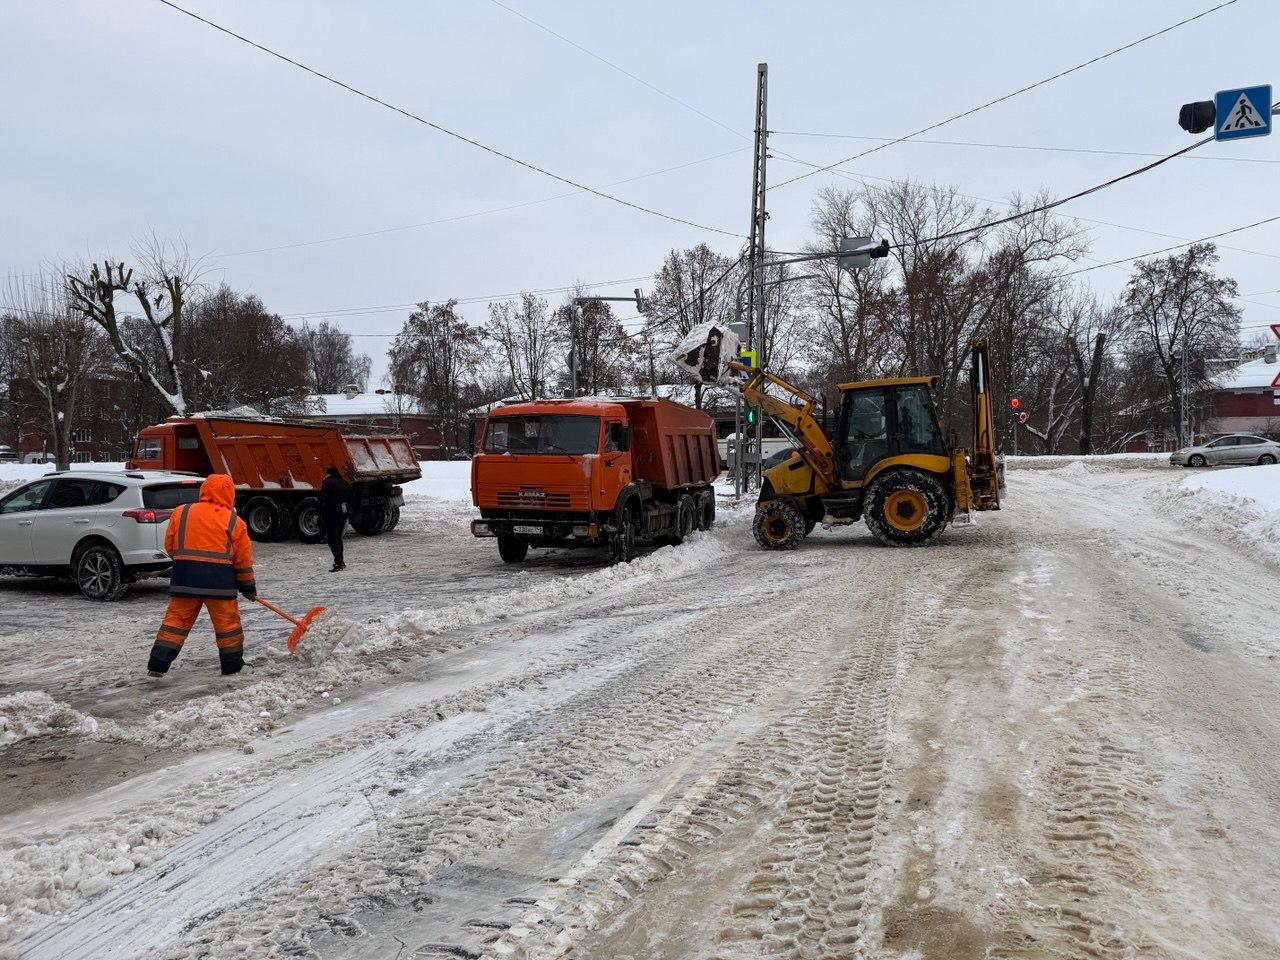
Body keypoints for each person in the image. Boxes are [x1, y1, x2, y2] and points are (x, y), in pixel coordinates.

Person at [148, 474, 256, 677]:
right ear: (229, 494)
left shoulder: (182, 512)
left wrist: (187, 562)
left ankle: (157, 665)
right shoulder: (234, 521)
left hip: (185, 579)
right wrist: (247, 585)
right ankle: (232, 666)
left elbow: (170, 546)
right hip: (220, 583)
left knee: (176, 621)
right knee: (227, 626)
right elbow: (242, 559)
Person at [319, 466, 352, 572]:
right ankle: (340, 561)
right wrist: (348, 511)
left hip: (331, 515)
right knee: (338, 538)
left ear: (329, 474)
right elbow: (352, 498)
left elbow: (322, 500)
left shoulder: (327, 483)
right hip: (343, 514)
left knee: (332, 539)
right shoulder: (345, 483)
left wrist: (318, 513)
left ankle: (338, 562)